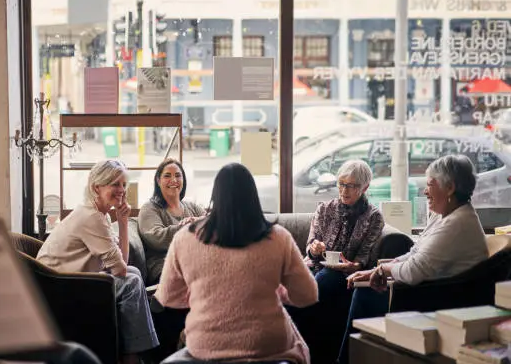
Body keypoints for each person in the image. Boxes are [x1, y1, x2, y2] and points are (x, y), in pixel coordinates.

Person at [154, 163, 318, 364]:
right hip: (268, 345)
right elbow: (308, 295)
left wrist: (202, 293)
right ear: (253, 196)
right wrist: (275, 290)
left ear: (215, 196)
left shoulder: (184, 238)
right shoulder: (278, 237)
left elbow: (168, 297)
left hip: (206, 344)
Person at [338, 154, 489, 364]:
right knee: (363, 287)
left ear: (450, 188)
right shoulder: (444, 215)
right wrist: (380, 269)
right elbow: (415, 253)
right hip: (430, 289)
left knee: (365, 294)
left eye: (429, 185)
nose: (425, 191)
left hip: (439, 299)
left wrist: (382, 271)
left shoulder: (458, 224)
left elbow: (414, 270)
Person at [36, 160, 159, 364]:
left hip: (70, 279)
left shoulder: (97, 215)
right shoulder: (91, 217)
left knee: (134, 274)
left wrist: (121, 221)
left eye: (123, 184)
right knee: (131, 282)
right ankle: (133, 356)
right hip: (59, 286)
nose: (121, 190)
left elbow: (123, 263)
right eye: (114, 184)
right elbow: (119, 269)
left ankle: (134, 352)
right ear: (96, 187)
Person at [291, 160, 384, 364]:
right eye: (341, 184)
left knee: (328, 277)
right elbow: (310, 246)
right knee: (308, 277)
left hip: (343, 275)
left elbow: (364, 256)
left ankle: (291, 322)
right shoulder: (324, 209)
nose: (344, 190)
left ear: (364, 188)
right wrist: (314, 249)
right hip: (316, 268)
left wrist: (356, 265)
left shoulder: (373, 217)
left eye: (351, 186)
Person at [138, 158, 206, 285]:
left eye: (178, 175)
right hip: (164, 266)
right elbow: (156, 238)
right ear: (158, 181)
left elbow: (212, 223)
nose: (174, 180)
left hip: (195, 259)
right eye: (167, 176)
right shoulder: (149, 208)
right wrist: (188, 227)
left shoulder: (192, 207)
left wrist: (199, 221)